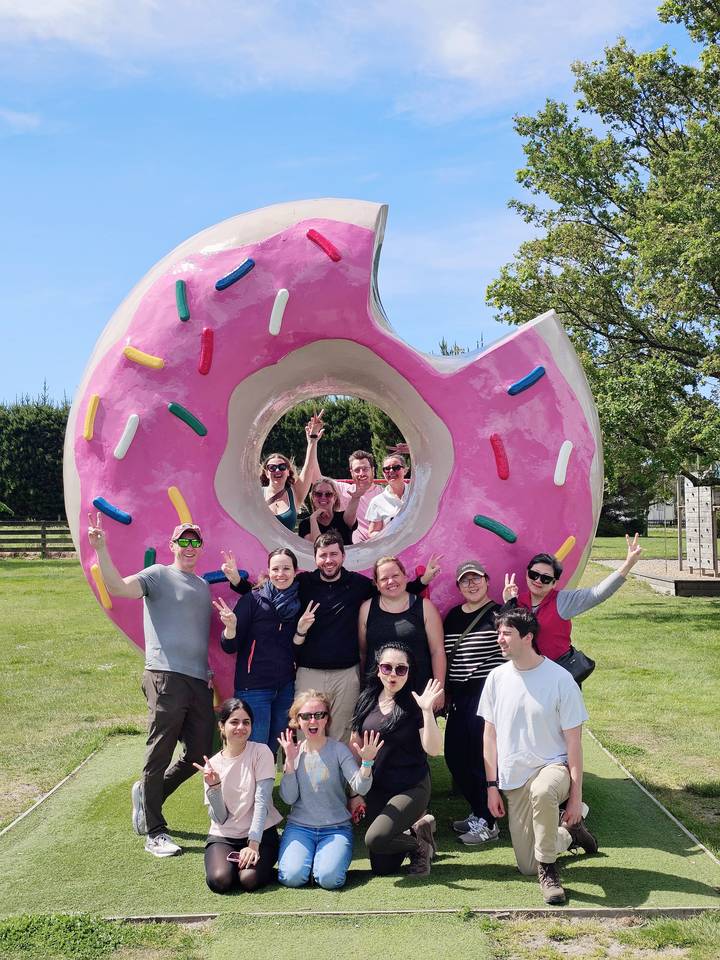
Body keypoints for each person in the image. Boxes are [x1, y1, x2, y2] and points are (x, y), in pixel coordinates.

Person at [224, 531, 442, 745]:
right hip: (308, 671)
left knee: (342, 733)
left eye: (333, 554)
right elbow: (268, 592)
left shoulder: (358, 585)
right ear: (315, 558)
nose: (328, 560)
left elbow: (391, 590)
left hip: (346, 673)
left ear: (343, 556)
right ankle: (304, 780)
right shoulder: (304, 583)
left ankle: (338, 780)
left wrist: (421, 582)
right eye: (323, 555)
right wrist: (237, 582)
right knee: (304, 733)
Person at [87, 514, 215, 857]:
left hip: (198, 680)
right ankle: (155, 832)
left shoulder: (203, 586)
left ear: (201, 548)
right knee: (160, 750)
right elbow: (118, 588)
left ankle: (146, 794)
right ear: (172, 546)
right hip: (164, 675)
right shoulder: (157, 575)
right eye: (183, 542)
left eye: (194, 542)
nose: (189, 548)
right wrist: (100, 548)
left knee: (202, 752)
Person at [479, 607, 598, 905]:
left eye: (506, 634)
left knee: (542, 791)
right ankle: (570, 832)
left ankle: (550, 872)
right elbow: (489, 737)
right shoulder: (496, 678)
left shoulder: (561, 680)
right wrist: (491, 785)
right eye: (499, 633)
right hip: (514, 777)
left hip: (552, 767)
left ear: (528, 637)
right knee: (525, 866)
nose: (500, 640)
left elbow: (574, 743)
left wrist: (574, 795)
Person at [351, 642, 444, 877]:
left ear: (409, 671)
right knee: (383, 868)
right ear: (378, 669)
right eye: (387, 667)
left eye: (400, 669)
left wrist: (426, 711)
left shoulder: (415, 704)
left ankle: (421, 847)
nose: (393, 674)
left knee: (375, 839)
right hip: (378, 788)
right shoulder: (366, 699)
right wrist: (356, 788)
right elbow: (355, 744)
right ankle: (418, 833)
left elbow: (433, 749)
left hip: (411, 787)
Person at [213, 548, 318, 751]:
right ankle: (249, 784)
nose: (281, 573)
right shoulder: (252, 599)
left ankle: (264, 784)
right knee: (255, 747)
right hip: (254, 688)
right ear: (268, 571)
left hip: (285, 687)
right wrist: (231, 628)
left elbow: (296, 649)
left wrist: (301, 630)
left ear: (295, 571)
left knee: (271, 748)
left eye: (286, 568)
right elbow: (229, 647)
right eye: (275, 568)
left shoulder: (300, 602)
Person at [276, 691, 383, 889]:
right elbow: (289, 798)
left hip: (336, 828)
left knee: (330, 880)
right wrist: (290, 764)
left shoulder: (339, 750)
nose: (312, 720)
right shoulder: (294, 752)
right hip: (300, 827)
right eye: (306, 716)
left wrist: (367, 763)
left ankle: (320, 864)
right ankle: (310, 863)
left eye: (319, 715)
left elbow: (360, 785)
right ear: (297, 720)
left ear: (327, 719)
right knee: (291, 877)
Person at [503, 533, 643, 663]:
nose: (538, 580)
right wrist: (509, 604)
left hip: (557, 674)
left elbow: (598, 593)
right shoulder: (516, 601)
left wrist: (628, 564)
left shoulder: (563, 601)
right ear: (527, 573)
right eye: (534, 574)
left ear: (554, 583)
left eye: (546, 578)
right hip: (525, 673)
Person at [443, 561, 504, 846]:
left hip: (486, 696)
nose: (471, 584)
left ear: (486, 580)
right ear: (458, 586)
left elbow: (517, 643)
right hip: (460, 697)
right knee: (455, 757)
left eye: (476, 579)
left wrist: (514, 601)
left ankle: (488, 821)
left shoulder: (499, 613)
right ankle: (478, 810)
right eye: (465, 581)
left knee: (481, 759)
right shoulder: (453, 615)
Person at [194, 698, 282, 894]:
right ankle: (236, 866)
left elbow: (262, 802)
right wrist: (214, 786)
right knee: (220, 881)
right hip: (224, 836)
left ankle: (256, 860)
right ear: (221, 726)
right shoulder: (213, 765)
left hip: (259, 834)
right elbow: (219, 817)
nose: (241, 727)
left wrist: (253, 845)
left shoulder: (261, 752)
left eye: (246, 722)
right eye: (234, 722)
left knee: (249, 879)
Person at [358, 555, 446, 701]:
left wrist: (439, 689)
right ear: (377, 584)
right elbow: (363, 654)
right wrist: (362, 687)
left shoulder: (425, 607)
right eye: (384, 579)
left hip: (418, 693)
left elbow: (437, 651)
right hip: (377, 693)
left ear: (405, 577)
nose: (391, 581)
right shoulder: (366, 609)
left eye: (395, 575)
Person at [260, 410, 324, 531]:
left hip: (282, 550)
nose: (277, 470)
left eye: (282, 467)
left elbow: (309, 468)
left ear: (288, 471)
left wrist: (313, 439)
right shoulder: (256, 493)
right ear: (266, 473)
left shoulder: (295, 493)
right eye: (272, 467)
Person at [335, 449, 381, 543]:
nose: (361, 473)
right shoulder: (345, 490)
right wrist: (312, 441)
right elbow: (316, 478)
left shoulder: (384, 494)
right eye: (357, 470)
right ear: (351, 473)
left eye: (365, 469)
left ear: (373, 470)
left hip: (382, 547)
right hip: (355, 550)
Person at [298, 477, 359, 546]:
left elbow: (353, 505)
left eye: (328, 494)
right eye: (318, 494)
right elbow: (316, 548)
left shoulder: (343, 517)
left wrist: (356, 497)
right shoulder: (305, 524)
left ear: (334, 498)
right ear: (313, 497)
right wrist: (313, 519)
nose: (323, 497)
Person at [366, 453, 410, 538]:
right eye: (386, 469)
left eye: (396, 467)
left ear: (405, 470)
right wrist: (390, 536)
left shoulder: (417, 494)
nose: (391, 471)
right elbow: (373, 532)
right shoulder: (377, 502)